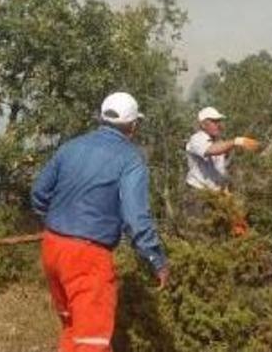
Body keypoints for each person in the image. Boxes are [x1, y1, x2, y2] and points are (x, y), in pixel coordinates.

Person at [31, 91, 169, 352]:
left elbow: (39, 194)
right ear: (133, 126)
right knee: (92, 342)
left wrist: (58, 221)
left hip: (52, 247)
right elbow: (136, 220)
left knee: (73, 329)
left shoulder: (71, 147)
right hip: (88, 257)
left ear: (101, 118)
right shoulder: (131, 160)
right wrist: (156, 259)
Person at [183, 107, 253, 233]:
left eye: (219, 121)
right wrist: (236, 141)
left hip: (216, 194)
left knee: (221, 231)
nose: (218, 125)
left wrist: (225, 191)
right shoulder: (196, 139)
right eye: (214, 121)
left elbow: (219, 169)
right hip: (198, 195)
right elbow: (211, 150)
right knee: (199, 233)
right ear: (203, 124)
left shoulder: (218, 141)